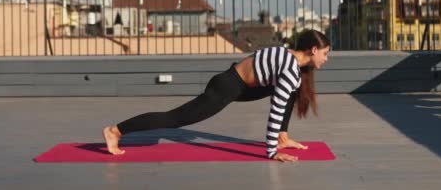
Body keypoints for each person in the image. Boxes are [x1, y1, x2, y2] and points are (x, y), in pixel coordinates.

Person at [102, 29, 330, 162]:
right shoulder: (290, 69)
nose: (326, 59)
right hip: (227, 87)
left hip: (239, 83)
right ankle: (115, 130)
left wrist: (279, 136)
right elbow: (276, 110)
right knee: (175, 119)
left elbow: (277, 92)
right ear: (313, 50)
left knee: (293, 89)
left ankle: (283, 136)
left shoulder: (288, 57)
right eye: (325, 54)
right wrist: (271, 152)